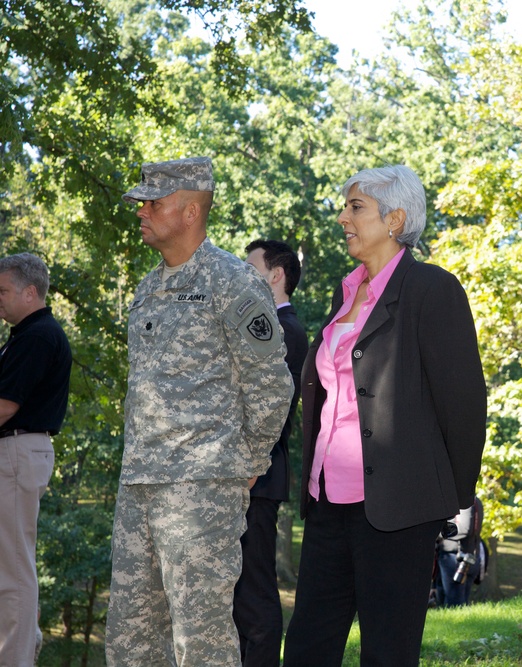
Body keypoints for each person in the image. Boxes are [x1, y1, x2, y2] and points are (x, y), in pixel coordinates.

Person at [282, 164, 487, 667]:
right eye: (345, 206)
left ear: (394, 220)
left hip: (400, 509)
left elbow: (463, 405)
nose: (342, 218)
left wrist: (454, 499)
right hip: (327, 501)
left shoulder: (432, 290)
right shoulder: (344, 291)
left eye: (356, 207)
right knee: (306, 649)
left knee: (388, 654)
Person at [106, 157, 293, 667]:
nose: (142, 211)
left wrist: (247, 464)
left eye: (153, 202)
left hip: (202, 488)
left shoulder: (233, 282)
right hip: (140, 484)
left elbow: (271, 385)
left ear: (191, 211)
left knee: (201, 639)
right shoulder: (147, 288)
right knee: (131, 638)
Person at [234, 239, 309, 667]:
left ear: (275, 275)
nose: (244, 277)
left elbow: (273, 409)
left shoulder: (287, 330)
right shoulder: (267, 325)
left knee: (254, 592)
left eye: (251, 268)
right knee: (237, 590)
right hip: (246, 475)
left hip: (257, 476)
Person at [0, 253, 71, 665]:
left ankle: (17, 658)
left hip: (16, 450)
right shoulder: (24, 335)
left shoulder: (38, 336)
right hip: (16, 452)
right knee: (9, 564)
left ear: (30, 293)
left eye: (4, 291)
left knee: (14, 570)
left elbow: (5, 406)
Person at [434, 496, 485, 607]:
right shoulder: (475, 501)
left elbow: (464, 529)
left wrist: (436, 533)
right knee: (456, 602)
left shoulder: (464, 502)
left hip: (457, 559)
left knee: (454, 603)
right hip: (465, 557)